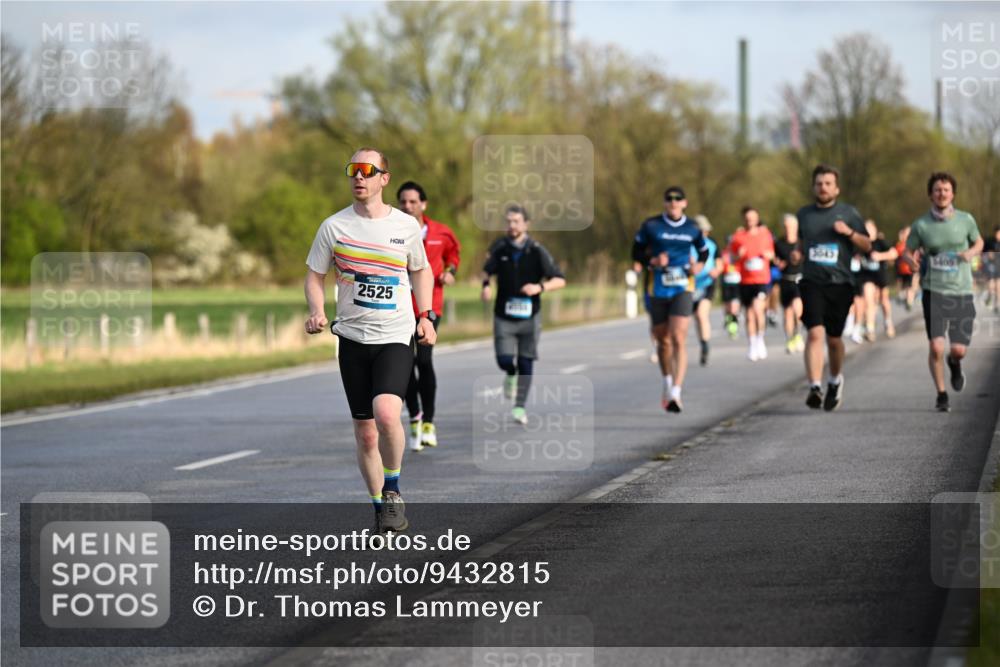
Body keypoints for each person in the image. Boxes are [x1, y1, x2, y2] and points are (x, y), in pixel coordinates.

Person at [305, 148, 436, 533]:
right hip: (352, 337)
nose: (358, 177)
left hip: (395, 334)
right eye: (353, 170)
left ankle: (393, 490)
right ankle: (380, 506)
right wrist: (316, 310)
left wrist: (425, 316)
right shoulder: (334, 227)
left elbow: (420, 270)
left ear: (384, 179)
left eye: (367, 171)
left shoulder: (406, 226)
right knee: (365, 432)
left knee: (387, 414)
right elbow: (315, 275)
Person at [901, 172, 983, 412]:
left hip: (961, 291)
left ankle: (954, 363)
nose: (942, 193)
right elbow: (907, 250)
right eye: (937, 190)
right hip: (933, 291)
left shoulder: (966, 220)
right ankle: (941, 393)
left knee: (958, 349)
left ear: (953, 193)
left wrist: (971, 252)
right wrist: (911, 261)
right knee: (936, 346)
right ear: (930, 194)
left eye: (946, 190)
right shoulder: (921, 224)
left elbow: (978, 242)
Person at [481, 205, 566, 425]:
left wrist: (540, 288)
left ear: (526, 224)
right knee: (504, 360)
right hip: (503, 315)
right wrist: (486, 285)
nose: (511, 225)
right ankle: (510, 372)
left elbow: (560, 279)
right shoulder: (500, 248)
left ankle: (519, 407)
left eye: (516, 221)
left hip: (530, 316)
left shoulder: (537, 250)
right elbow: (487, 270)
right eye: (508, 221)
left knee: (527, 362)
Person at [797, 164, 871, 411]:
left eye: (828, 183)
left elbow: (867, 246)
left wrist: (849, 232)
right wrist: (797, 254)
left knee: (834, 339)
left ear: (836, 188)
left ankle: (835, 380)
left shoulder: (849, 213)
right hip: (811, 282)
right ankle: (815, 387)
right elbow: (799, 243)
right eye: (819, 183)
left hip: (840, 284)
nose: (823, 187)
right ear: (813, 187)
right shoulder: (804, 215)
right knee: (815, 333)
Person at [632, 186, 709, 413]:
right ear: (665, 203)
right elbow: (635, 252)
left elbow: (703, 252)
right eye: (669, 199)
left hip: (683, 286)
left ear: (685, 203)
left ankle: (676, 391)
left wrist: (699, 265)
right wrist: (653, 260)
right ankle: (667, 381)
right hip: (657, 288)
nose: (673, 202)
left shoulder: (692, 228)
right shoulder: (651, 226)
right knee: (663, 340)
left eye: (678, 199)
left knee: (678, 337)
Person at [396, 181, 461, 452]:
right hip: (399, 308)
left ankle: (429, 423)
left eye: (413, 202)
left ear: (423, 204)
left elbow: (453, 256)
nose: (408, 206)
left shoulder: (441, 233)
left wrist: (450, 273)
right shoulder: (392, 231)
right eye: (403, 202)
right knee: (404, 364)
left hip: (430, 305)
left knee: (424, 359)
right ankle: (414, 417)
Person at [727, 206, 775, 361]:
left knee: (757, 309)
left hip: (761, 279)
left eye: (753, 218)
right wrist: (738, 255)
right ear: (744, 219)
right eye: (747, 218)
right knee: (748, 315)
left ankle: (760, 339)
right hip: (745, 280)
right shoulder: (738, 236)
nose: (750, 221)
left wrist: (768, 255)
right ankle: (752, 344)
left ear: (757, 218)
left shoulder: (765, 234)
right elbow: (732, 259)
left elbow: (772, 254)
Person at [856, 219, 898, 341]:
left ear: (875, 229)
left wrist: (880, 256)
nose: (868, 231)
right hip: (867, 275)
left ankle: (888, 321)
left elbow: (894, 253)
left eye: (870, 228)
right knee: (868, 300)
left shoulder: (880, 242)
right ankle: (870, 329)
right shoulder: (862, 243)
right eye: (866, 229)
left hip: (880, 275)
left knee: (884, 300)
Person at [691, 215, 721, 366]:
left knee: (701, 314)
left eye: (706, 231)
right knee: (693, 318)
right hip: (689, 285)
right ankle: (702, 341)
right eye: (702, 231)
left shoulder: (712, 244)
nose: (705, 234)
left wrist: (716, 270)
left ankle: (705, 346)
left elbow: (719, 263)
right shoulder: (687, 244)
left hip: (707, 283)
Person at [773, 213, 805, 354]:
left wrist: (800, 257)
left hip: (799, 280)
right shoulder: (778, 244)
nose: (788, 229)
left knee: (798, 309)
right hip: (785, 280)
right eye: (786, 227)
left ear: (796, 227)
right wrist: (777, 263)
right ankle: (789, 339)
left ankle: (798, 335)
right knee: (787, 313)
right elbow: (773, 262)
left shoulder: (801, 243)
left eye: (791, 226)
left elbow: (808, 258)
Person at [719, 240, 742, 339]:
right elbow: (721, 266)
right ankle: (729, 320)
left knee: (734, 306)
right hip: (726, 283)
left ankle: (733, 328)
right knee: (728, 306)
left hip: (737, 284)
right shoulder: (724, 254)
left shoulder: (739, 253)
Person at [894, 226, 918, 311]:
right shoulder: (900, 245)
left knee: (910, 286)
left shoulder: (915, 244)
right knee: (904, 285)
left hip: (911, 269)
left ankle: (909, 301)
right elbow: (895, 253)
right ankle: (902, 296)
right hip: (901, 269)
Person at [984, 225, 1000, 314]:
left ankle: (996, 305)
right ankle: (989, 297)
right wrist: (989, 254)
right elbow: (984, 252)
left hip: (999, 267)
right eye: (998, 233)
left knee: (998, 288)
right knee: (991, 286)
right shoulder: (990, 242)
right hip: (991, 266)